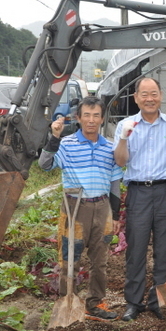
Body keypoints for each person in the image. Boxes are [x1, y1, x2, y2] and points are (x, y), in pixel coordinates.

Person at [39, 96, 123, 321]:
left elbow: (115, 183)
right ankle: (69, 302)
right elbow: (45, 165)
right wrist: (54, 137)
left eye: (96, 115)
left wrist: (115, 214)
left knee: (100, 261)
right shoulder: (67, 145)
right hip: (75, 208)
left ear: (102, 119)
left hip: (102, 206)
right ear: (78, 118)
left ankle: (94, 304)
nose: (91, 120)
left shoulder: (109, 147)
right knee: (70, 258)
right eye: (87, 115)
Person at [113, 77, 166, 321]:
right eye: (144, 94)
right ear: (136, 98)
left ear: (161, 96)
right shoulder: (125, 124)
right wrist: (124, 138)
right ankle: (133, 302)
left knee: (164, 249)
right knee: (136, 249)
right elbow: (121, 161)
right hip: (138, 192)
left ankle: (158, 300)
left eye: (153, 93)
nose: (149, 99)